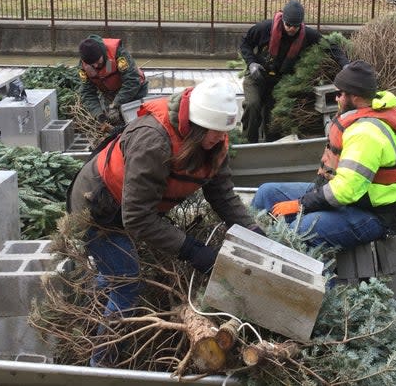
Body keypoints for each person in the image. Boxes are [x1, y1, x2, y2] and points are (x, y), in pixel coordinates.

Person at [67, 78, 262, 366]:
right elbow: (137, 218)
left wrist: (254, 232)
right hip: (97, 206)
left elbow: (222, 195)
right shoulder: (154, 141)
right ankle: (101, 363)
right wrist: (194, 251)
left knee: (113, 273)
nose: (219, 139)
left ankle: (90, 314)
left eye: (223, 132)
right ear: (196, 125)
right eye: (213, 133)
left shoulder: (214, 140)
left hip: (129, 206)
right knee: (127, 281)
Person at [251, 60, 396, 250]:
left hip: (370, 213)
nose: (336, 99)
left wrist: (301, 205)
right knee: (267, 193)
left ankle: (321, 277)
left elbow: (346, 191)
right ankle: (258, 251)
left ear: (356, 97)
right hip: (349, 199)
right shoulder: (359, 116)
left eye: (339, 94)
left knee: (296, 232)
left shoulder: (366, 133)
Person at [239, 0, 349, 143]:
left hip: (280, 82)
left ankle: (271, 145)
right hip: (257, 75)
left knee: (274, 115)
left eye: (295, 26)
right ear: (283, 20)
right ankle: (249, 142)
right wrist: (251, 63)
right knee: (253, 105)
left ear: (301, 24)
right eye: (288, 25)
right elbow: (244, 43)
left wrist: (346, 65)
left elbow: (330, 47)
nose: (291, 29)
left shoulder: (308, 35)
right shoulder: (264, 28)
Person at [77, 34, 148, 125]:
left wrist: (116, 105)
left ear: (102, 53)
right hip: (110, 94)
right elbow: (87, 92)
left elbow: (132, 81)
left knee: (137, 124)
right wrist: (98, 114)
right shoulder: (84, 66)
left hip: (135, 91)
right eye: (92, 64)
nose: (95, 66)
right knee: (113, 124)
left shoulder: (118, 54)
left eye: (97, 61)